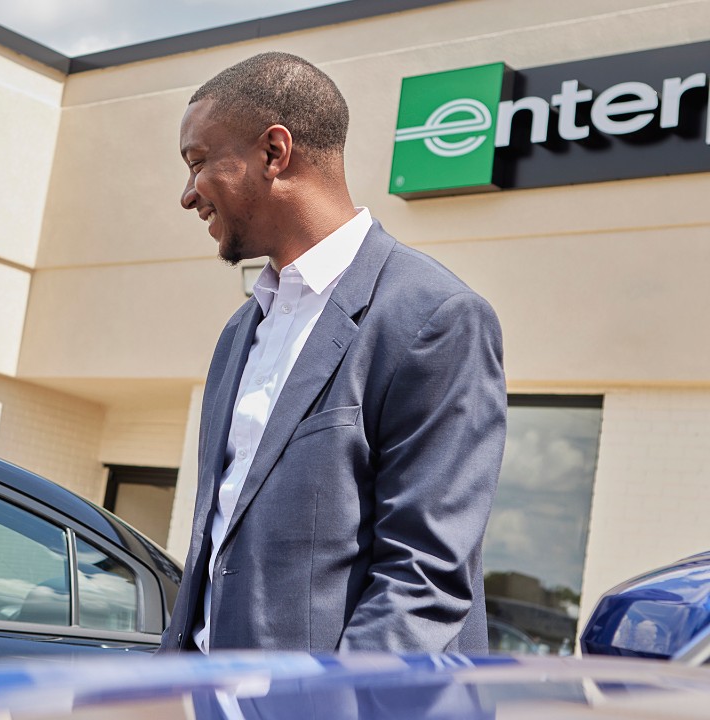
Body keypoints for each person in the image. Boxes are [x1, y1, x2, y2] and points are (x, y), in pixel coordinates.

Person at [162, 52, 506, 654]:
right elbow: (217, 552)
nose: (188, 195)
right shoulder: (241, 331)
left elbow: (421, 578)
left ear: (274, 152)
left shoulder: (435, 317)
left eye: (197, 163)